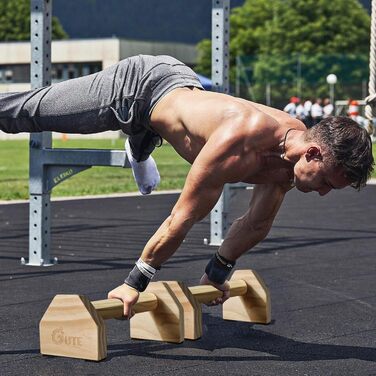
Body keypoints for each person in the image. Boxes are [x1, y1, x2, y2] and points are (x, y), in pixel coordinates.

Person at [0, 55, 374, 318]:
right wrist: (135, 282)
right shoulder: (242, 140)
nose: (324, 192)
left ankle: (143, 140)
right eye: (326, 182)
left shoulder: (288, 164)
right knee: (28, 113)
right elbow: (184, 215)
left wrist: (217, 272)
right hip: (137, 87)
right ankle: (141, 135)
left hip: (178, 89)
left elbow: (257, 223)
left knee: (163, 127)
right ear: (311, 152)